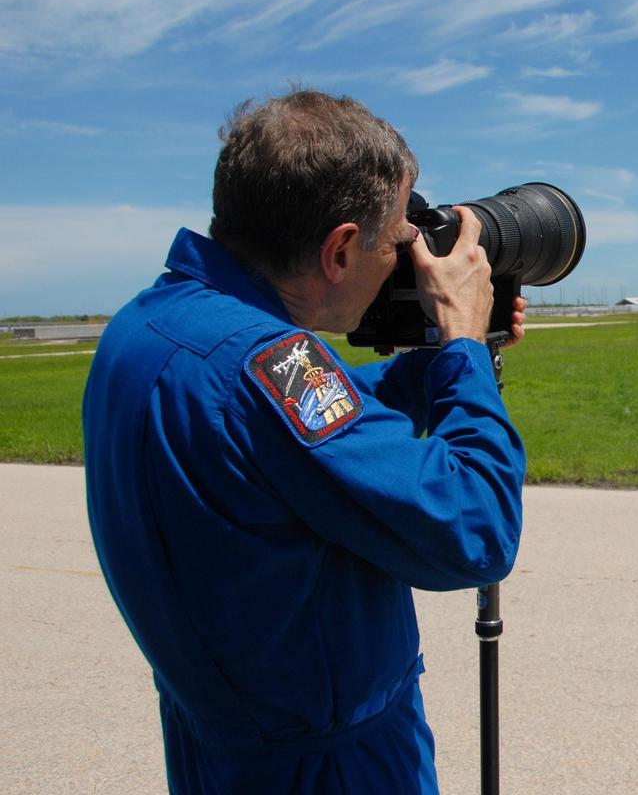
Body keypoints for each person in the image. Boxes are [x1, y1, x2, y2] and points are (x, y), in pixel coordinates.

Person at [82, 90, 527, 793]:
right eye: (399, 241)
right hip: (327, 766)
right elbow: (475, 530)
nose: (409, 256)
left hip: (221, 739)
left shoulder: (148, 326)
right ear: (341, 249)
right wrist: (465, 346)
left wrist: (426, 369)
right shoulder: (266, 366)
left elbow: (292, 432)